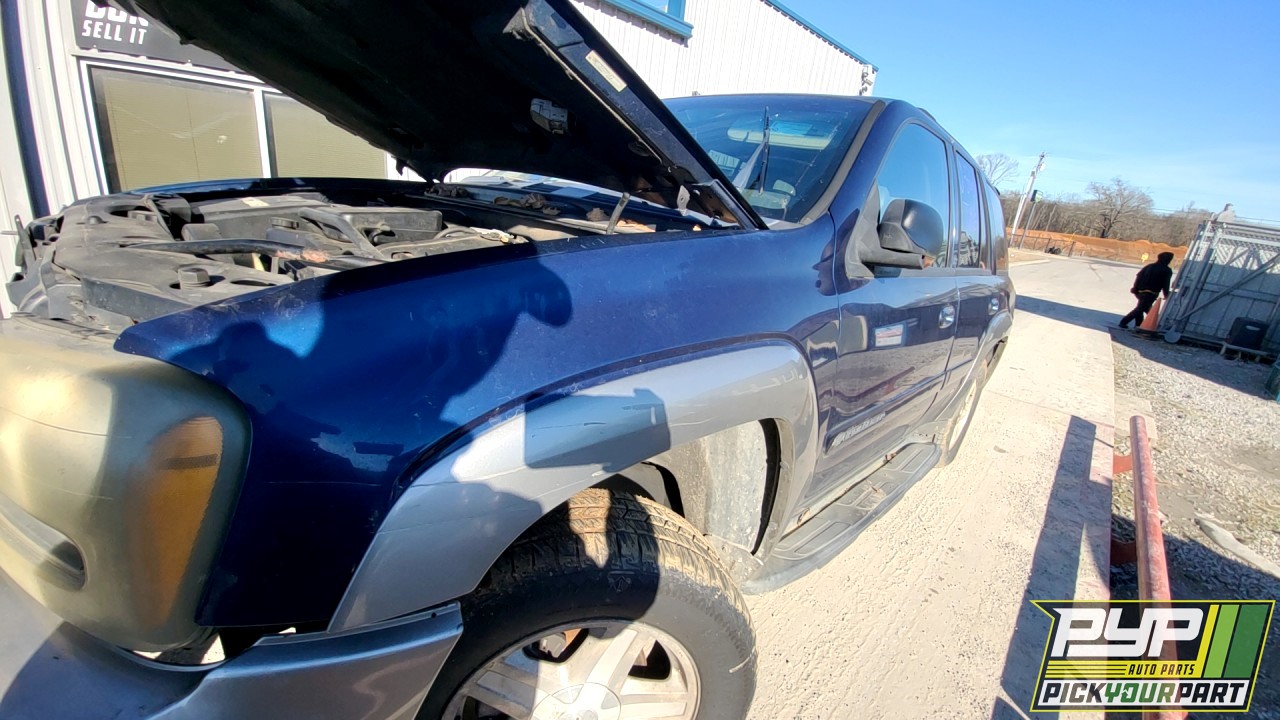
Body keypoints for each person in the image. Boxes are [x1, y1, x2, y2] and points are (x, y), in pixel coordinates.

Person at [1119, 251, 1175, 329]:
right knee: (1141, 309)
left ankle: (1139, 325)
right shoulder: (1167, 270)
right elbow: (1166, 283)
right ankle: (1124, 322)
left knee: (1142, 308)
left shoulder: (1149, 266)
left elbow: (1138, 276)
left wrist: (1135, 288)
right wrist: (1166, 294)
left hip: (1140, 291)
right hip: (1151, 293)